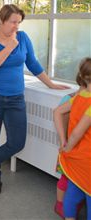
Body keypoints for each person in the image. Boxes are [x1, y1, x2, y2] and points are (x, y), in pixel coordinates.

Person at [0, 4, 69, 194]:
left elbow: (32, 62)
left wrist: (50, 84)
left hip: (16, 98)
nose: (16, 27)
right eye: (12, 22)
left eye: (19, 22)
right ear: (1, 20)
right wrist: (9, 47)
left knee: (17, 142)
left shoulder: (23, 38)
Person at [53, 57, 91, 220]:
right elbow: (77, 133)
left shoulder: (79, 96)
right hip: (87, 159)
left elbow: (57, 112)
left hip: (75, 157)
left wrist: (64, 142)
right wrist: (67, 147)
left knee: (73, 192)